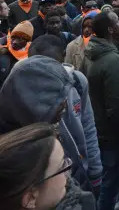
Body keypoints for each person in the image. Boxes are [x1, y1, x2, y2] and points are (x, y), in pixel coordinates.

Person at [0, 49, 103, 194]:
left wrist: (94, 171)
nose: (66, 108)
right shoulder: (12, 153)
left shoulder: (75, 83)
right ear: (34, 110)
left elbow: (88, 128)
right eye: (59, 106)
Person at [82, 12, 119, 210]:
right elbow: (115, 104)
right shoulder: (111, 59)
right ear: (111, 30)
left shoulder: (93, 52)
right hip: (112, 134)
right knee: (110, 184)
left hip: (99, 127)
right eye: (117, 21)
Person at [0, 20, 34, 88]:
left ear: (27, 41)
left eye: (20, 39)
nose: (15, 42)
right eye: (13, 37)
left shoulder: (31, 53)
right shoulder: (3, 46)